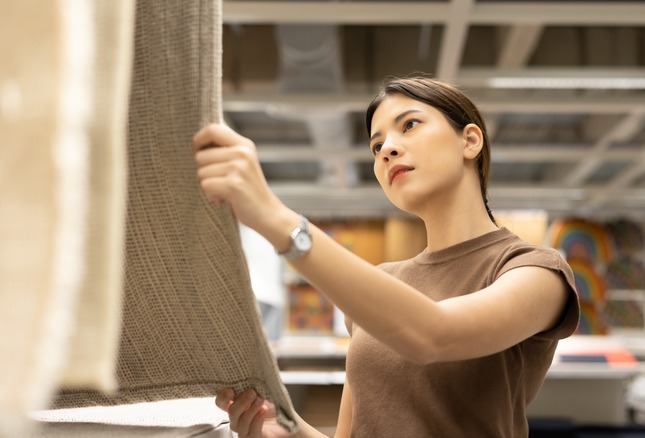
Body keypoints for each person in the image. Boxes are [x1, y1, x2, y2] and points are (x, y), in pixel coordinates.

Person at [193, 76, 580, 438]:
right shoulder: (383, 285)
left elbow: (433, 335)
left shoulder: (535, 270)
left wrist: (276, 220)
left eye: (409, 125)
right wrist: (287, 430)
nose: (388, 150)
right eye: (377, 146)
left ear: (470, 141)